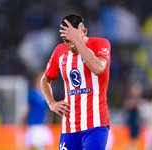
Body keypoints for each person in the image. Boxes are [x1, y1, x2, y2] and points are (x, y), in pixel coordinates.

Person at [40, 13, 111, 150]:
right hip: (69, 127)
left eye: (74, 39)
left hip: (95, 125)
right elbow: (45, 80)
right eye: (67, 41)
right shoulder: (59, 51)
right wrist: (51, 103)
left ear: (84, 32)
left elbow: (98, 68)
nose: (71, 45)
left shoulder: (100, 44)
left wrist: (77, 40)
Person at [20, 73, 53, 150]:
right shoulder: (32, 94)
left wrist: (48, 121)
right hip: (33, 124)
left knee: (45, 145)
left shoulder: (46, 94)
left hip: (43, 125)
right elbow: (27, 108)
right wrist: (23, 121)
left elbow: (48, 110)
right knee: (33, 145)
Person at [123, 82, 143, 150]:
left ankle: (133, 147)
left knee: (136, 136)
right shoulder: (130, 97)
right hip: (132, 119)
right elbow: (128, 105)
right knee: (132, 136)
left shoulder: (135, 98)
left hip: (136, 119)